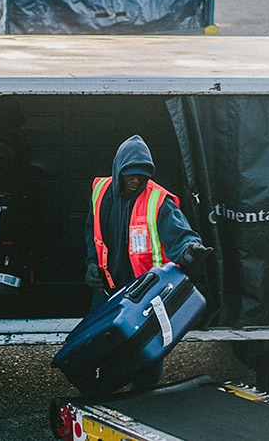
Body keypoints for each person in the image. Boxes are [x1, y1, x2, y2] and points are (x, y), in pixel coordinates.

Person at [84, 134, 212, 391]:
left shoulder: (158, 201)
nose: (136, 180)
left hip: (145, 296)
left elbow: (181, 235)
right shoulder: (100, 193)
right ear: (118, 170)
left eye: (142, 175)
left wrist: (190, 251)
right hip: (108, 289)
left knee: (147, 354)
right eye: (130, 174)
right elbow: (91, 231)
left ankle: (142, 403)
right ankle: (95, 398)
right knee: (95, 349)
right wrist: (90, 264)